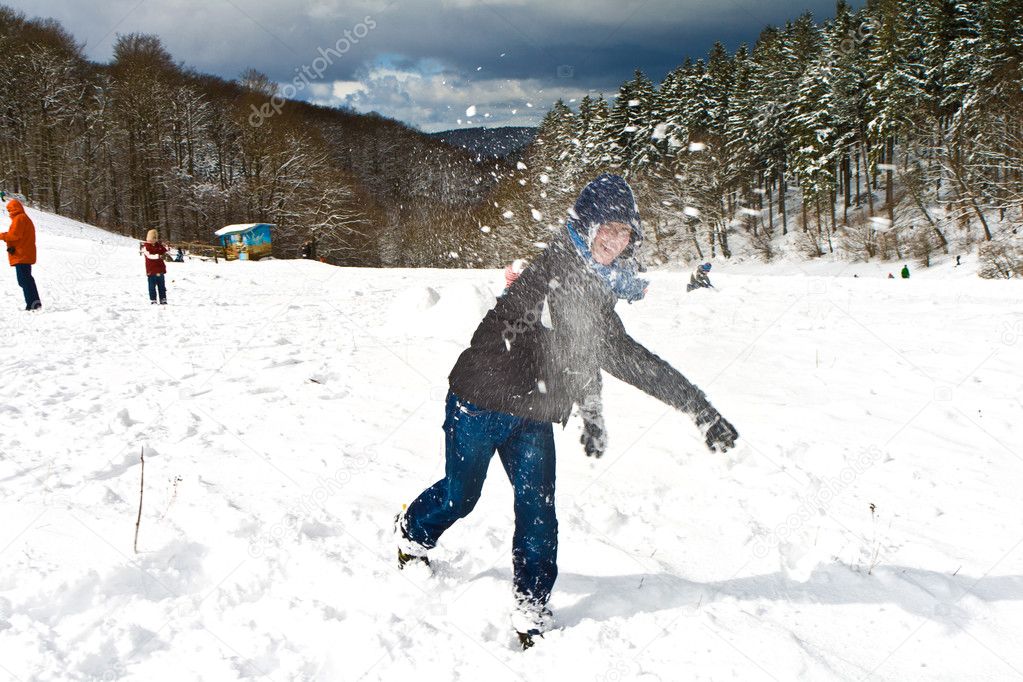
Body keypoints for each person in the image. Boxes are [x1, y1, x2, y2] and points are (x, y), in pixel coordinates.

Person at [394, 174, 739, 648]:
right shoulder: (554, 267)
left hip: (533, 412)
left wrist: (694, 408)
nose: (615, 242)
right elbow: (570, 338)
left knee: (538, 510)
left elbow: (615, 356)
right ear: (584, 226)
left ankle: (531, 606)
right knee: (461, 496)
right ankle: (413, 532)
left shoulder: (594, 287)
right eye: (607, 229)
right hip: (479, 401)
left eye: (625, 233)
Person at [0, 199, 41, 310]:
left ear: (14, 209)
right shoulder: (23, 218)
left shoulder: (19, 218)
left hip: (22, 254)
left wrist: (2, 236)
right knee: (27, 279)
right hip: (24, 253)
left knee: (24, 280)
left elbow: (14, 235)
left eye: (10, 210)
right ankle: (35, 303)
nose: (9, 213)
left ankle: (32, 305)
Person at [141, 229, 168, 304]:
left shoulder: (159, 245)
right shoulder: (145, 247)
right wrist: (159, 256)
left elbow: (165, 251)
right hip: (151, 270)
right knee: (152, 286)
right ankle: (153, 299)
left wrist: (166, 254)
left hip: (160, 269)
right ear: (149, 238)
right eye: (153, 238)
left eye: (155, 238)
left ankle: (163, 298)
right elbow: (149, 256)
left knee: (162, 286)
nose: (154, 240)